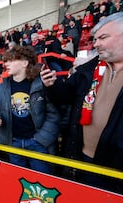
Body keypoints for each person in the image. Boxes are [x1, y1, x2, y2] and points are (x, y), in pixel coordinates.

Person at [40, 12, 123, 193]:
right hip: (81, 158)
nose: (96, 43)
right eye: (95, 39)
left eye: (103, 37)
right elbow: (65, 96)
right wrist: (52, 85)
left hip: (116, 170)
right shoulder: (91, 67)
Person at [0, 46, 60, 174]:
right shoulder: (1, 88)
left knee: (41, 183)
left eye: (11, 60)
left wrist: (42, 139)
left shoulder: (41, 84)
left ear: (25, 63)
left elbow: (53, 115)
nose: (6, 64)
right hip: (13, 142)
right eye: (5, 61)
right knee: (18, 181)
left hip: (37, 143)